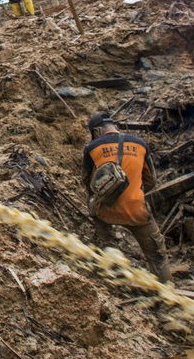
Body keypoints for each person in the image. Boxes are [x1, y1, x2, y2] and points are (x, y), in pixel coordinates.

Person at [82, 113, 171, 282]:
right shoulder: (140, 144)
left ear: (97, 131)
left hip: (106, 211)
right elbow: (151, 180)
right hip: (137, 210)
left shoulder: (92, 148)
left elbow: (88, 182)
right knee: (158, 256)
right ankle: (166, 294)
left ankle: (118, 281)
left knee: (110, 249)